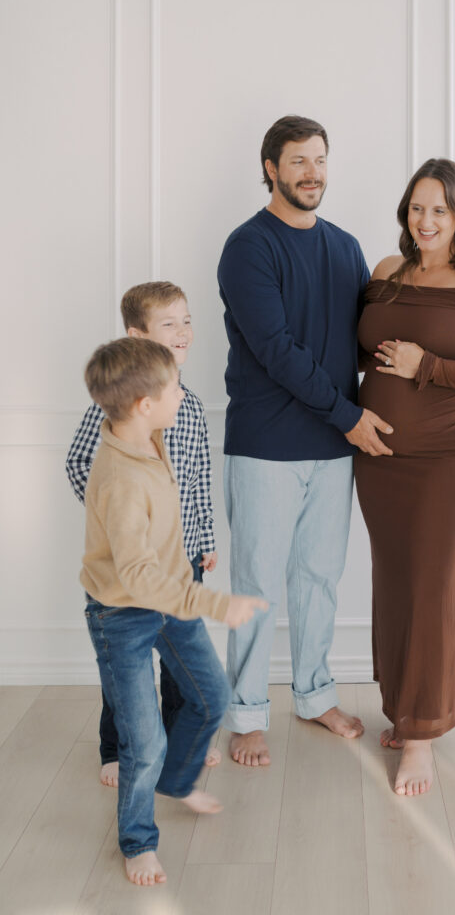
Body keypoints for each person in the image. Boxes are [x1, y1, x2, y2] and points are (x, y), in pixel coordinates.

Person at [218, 114, 391, 766]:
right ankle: (245, 714)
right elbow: (275, 350)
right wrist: (347, 415)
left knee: (318, 578)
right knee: (255, 583)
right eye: (297, 160)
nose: (311, 171)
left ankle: (315, 696)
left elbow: (362, 341)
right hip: (265, 444)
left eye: (319, 159)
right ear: (270, 168)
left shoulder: (345, 247)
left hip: (332, 446)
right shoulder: (247, 247)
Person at [355, 158, 455, 796]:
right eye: (417, 208)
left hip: (448, 460)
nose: (426, 221)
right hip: (380, 460)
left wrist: (430, 367)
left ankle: (420, 737)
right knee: (397, 586)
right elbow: (366, 355)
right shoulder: (385, 272)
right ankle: (405, 709)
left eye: (439, 210)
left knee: (432, 587)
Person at [80, 337, 265, 886]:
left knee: (211, 698)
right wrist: (214, 603)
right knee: (144, 742)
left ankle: (178, 781)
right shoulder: (120, 478)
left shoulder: (148, 437)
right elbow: (136, 576)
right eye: (175, 388)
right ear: (144, 405)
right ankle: (138, 841)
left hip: (167, 602)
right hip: (124, 617)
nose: (182, 392)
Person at [66, 281, 220, 788]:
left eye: (186, 320)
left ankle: (181, 747)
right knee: (126, 668)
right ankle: (118, 748)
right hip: (131, 569)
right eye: (168, 323)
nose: (183, 332)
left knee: (182, 664)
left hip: (182, 560)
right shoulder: (117, 404)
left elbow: (196, 478)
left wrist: (204, 539)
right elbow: (80, 462)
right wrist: (118, 523)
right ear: (137, 335)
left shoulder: (190, 405)